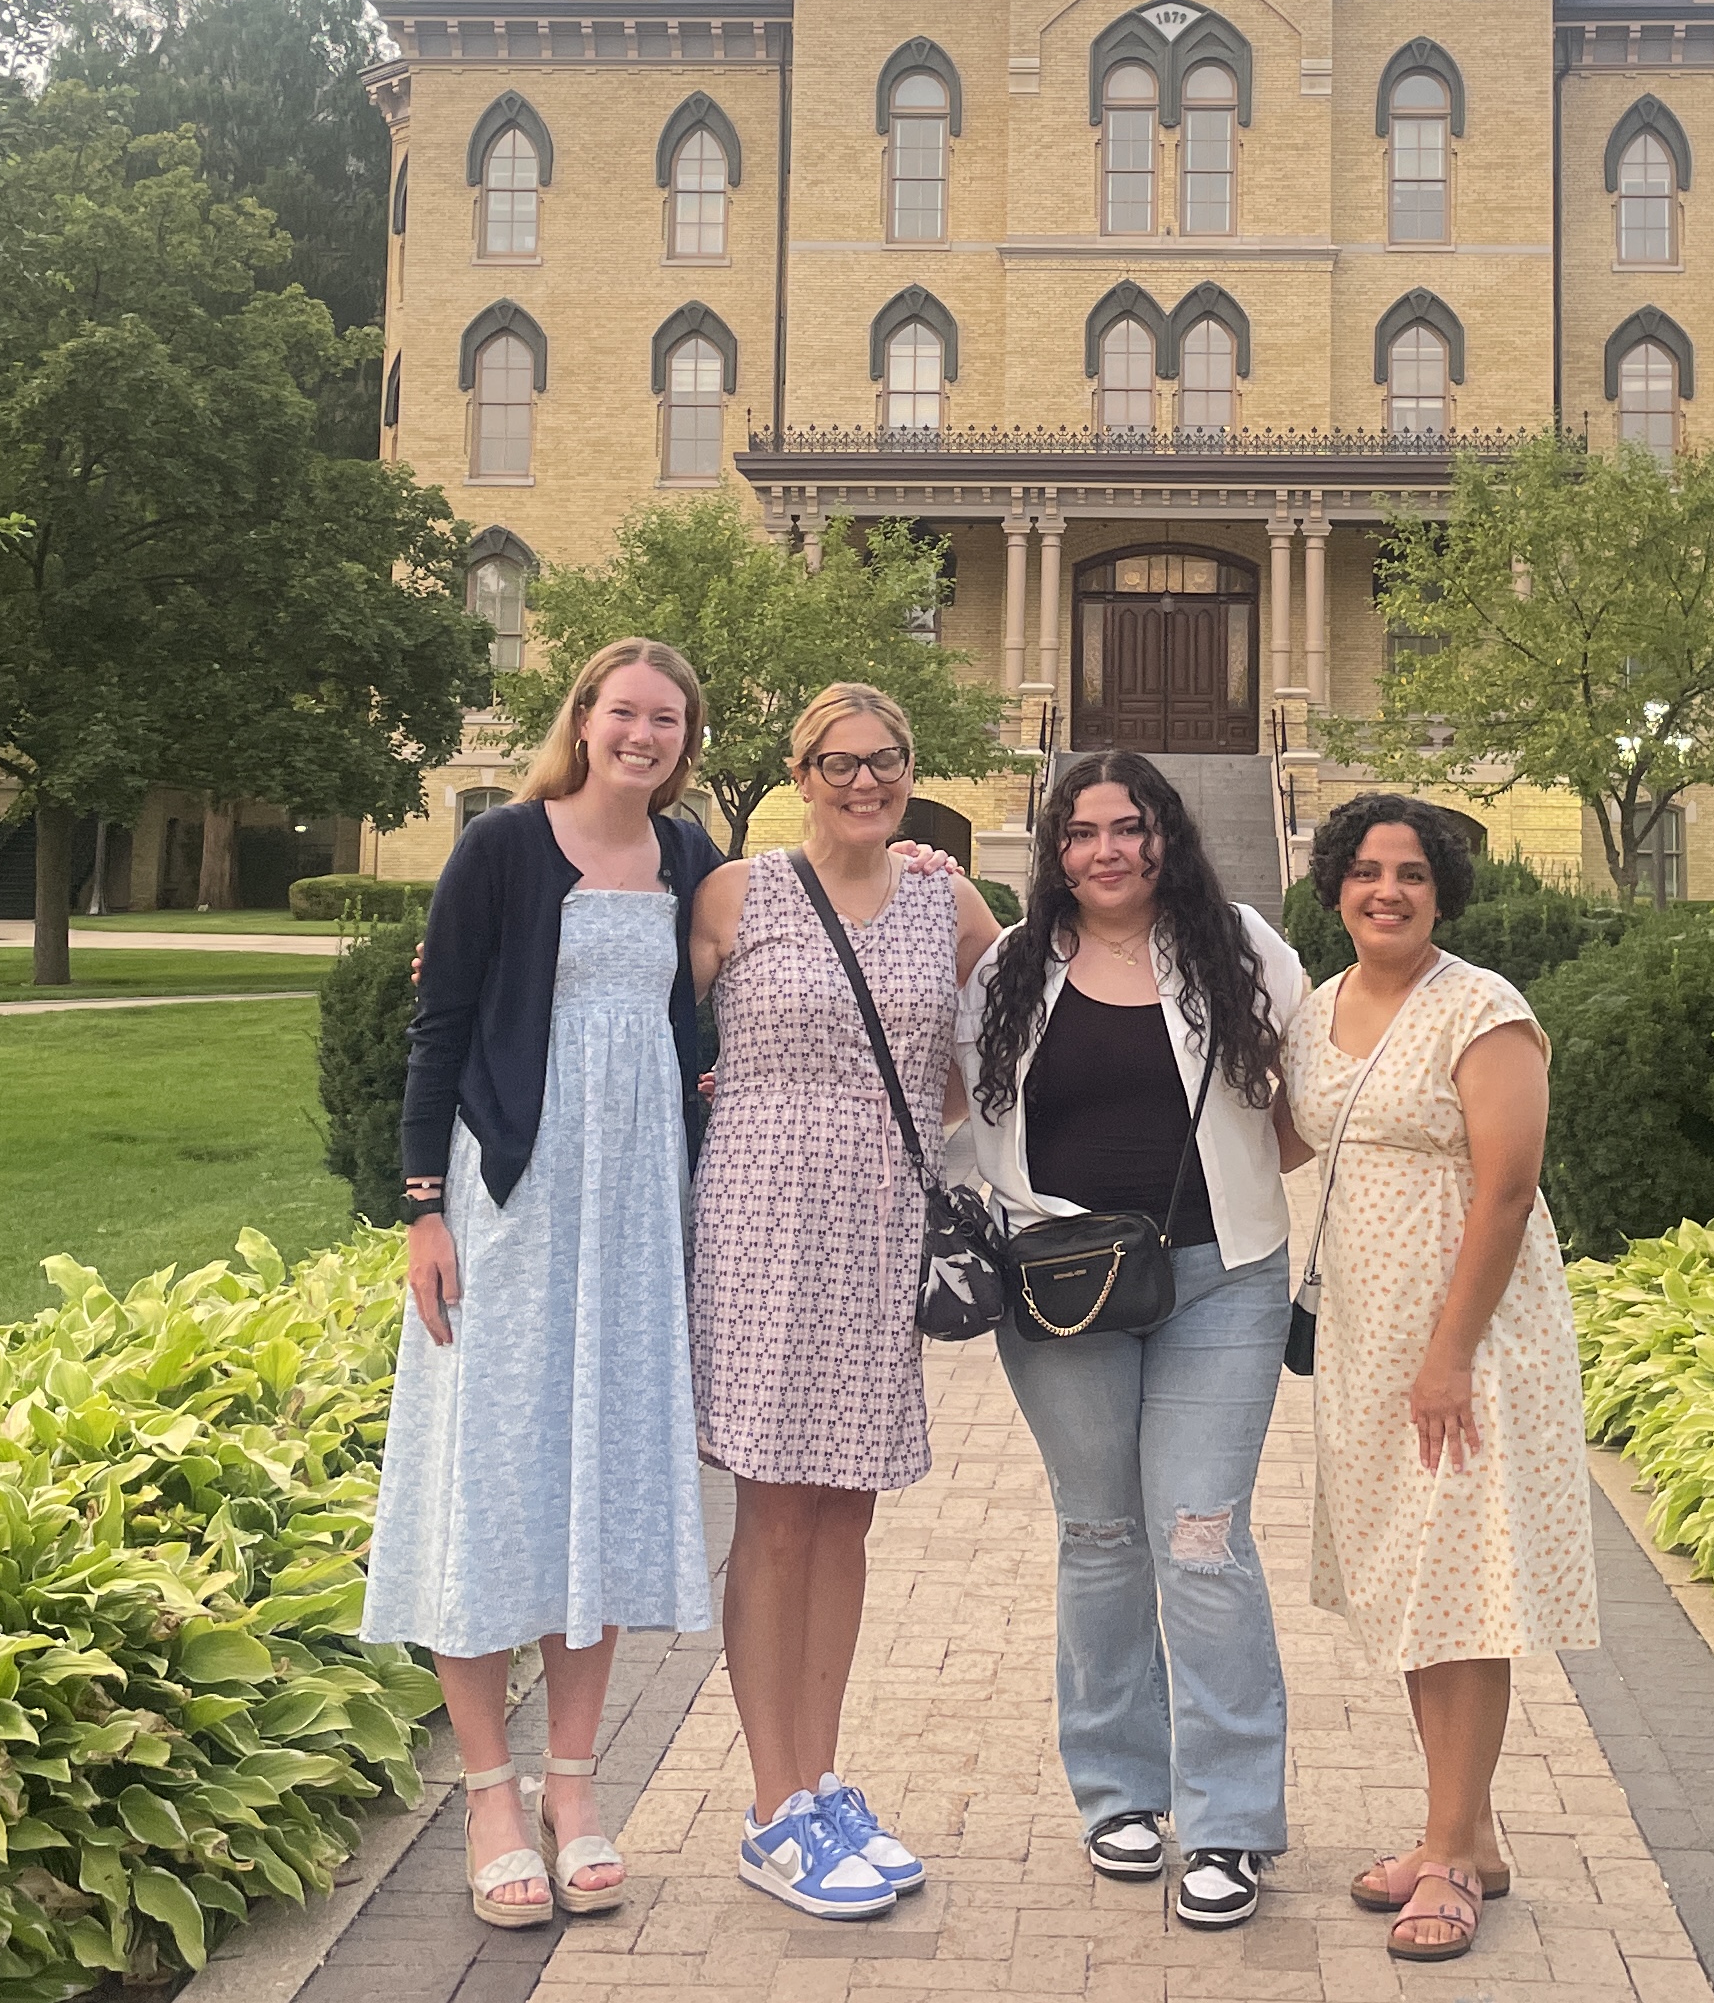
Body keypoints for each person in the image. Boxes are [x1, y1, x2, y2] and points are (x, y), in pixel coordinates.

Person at [363, 638, 723, 1931]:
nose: (643, 735)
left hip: (631, 1216)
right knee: (493, 1478)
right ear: (582, 718)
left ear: (686, 742)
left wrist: (911, 859)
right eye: (623, 712)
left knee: (602, 1485)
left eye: (666, 720)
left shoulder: (688, 860)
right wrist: (421, 1211)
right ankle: (488, 1796)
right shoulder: (503, 848)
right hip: (507, 1200)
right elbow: (440, 1030)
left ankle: (576, 1790)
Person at [955, 749, 1308, 1930]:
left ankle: (1229, 1823)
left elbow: (1303, 1102)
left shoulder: (1242, 945)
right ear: (1054, 853)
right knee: (1100, 1535)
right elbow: (958, 1102)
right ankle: (1118, 1793)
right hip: (1061, 1291)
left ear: (1167, 835)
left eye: (1130, 826)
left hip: (1222, 1285)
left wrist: (1240, 1192)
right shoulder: (1010, 966)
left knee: (1200, 1541)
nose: (1107, 850)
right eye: (1082, 832)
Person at [685, 686, 1003, 1918]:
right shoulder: (737, 894)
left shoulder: (946, 896)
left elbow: (1026, 1014)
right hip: (761, 1229)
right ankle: (773, 1809)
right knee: (773, 1518)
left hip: (880, 1228)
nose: (865, 782)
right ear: (797, 771)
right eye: (839, 763)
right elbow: (626, 1010)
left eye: (887, 762)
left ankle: (821, 1780)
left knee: (848, 1517)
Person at [1281, 793, 1596, 1965]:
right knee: (1417, 1586)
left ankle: (1451, 1858)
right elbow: (1282, 1136)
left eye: (1412, 873)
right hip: (1370, 1342)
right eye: (1365, 871)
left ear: (1444, 889)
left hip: (1470, 1344)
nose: (1387, 891)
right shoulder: (1321, 1009)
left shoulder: (1482, 1008)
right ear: (1336, 886)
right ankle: (1468, 1830)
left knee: (1461, 1591)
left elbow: (1509, 1185)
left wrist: (1452, 1354)